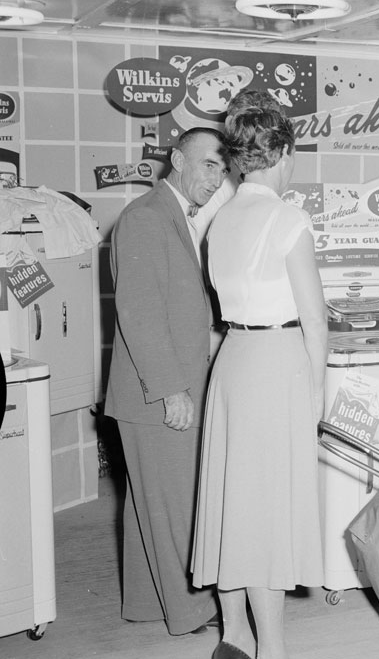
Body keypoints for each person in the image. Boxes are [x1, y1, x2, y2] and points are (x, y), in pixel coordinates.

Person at [191, 107, 327, 659]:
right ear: (284, 155)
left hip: (233, 359)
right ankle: (271, 646)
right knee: (268, 510)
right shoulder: (288, 220)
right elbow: (315, 319)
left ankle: (234, 634)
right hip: (277, 361)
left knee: (232, 501)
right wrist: (317, 395)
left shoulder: (218, 218)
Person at [104, 127, 228, 635]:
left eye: (222, 169)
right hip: (159, 392)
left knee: (147, 505)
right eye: (206, 165)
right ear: (177, 159)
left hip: (161, 388)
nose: (215, 178)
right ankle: (190, 611)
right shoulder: (146, 218)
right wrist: (171, 389)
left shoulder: (179, 217)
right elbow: (140, 314)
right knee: (177, 502)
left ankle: (147, 603)